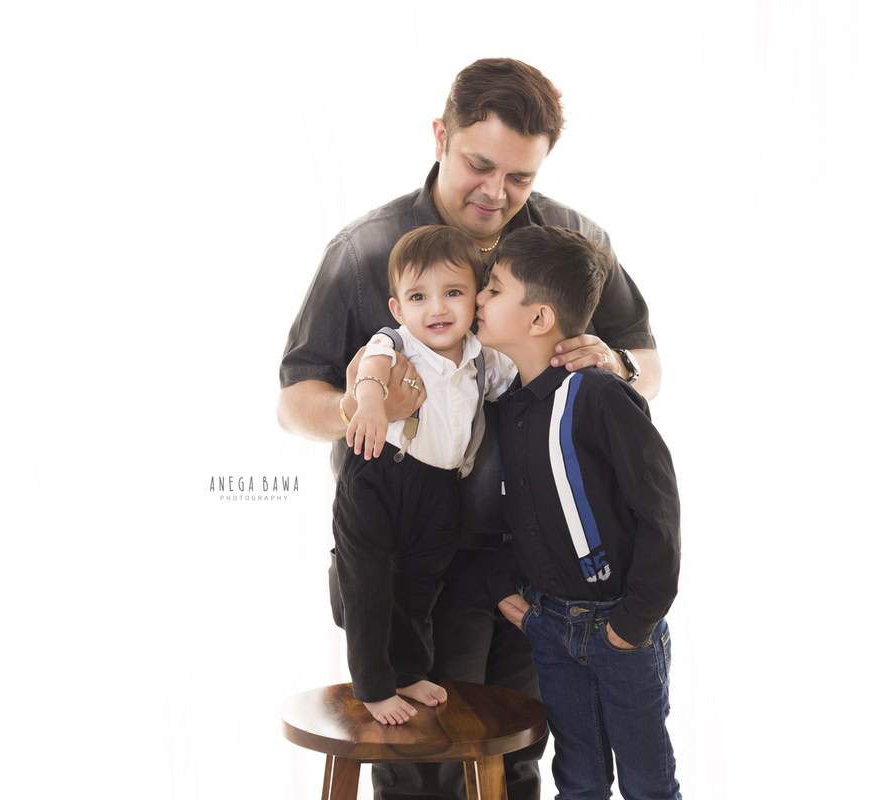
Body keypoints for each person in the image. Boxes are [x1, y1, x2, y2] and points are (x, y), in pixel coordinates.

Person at [278, 57, 662, 800]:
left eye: (519, 178)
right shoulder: (365, 253)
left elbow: (645, 360)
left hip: (533, 566)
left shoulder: (572, 242)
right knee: (417, 769)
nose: (497, 194)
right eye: (479, 166)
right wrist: (364, 412)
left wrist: (613, 364)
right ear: (439, 137)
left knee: (515, 760)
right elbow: (295, 396)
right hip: (402, 555)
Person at [478, 226, 682, 800]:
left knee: (648, 784)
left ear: (540, 319)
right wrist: (504, 589)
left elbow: (660, 512)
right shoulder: (508, 408)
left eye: (492, 289)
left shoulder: (599, 396)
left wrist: (633, 623)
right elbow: (504, 512)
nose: (478, 299)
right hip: (549, 628)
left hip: (622, 629)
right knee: (578, 779)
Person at [333, 225, 515, 725]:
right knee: (369, 582)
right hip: (377, 474)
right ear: (398, 309)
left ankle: (409, 670)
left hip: (441, 486)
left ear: (476, 299)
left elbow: (521, 375)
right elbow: (372, 367)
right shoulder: (397, 343)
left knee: (420, 585)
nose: (436, 309)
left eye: (452, 293)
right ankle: (372, 684)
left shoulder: (483, 358)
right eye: (418, 296)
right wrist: (370, 404)